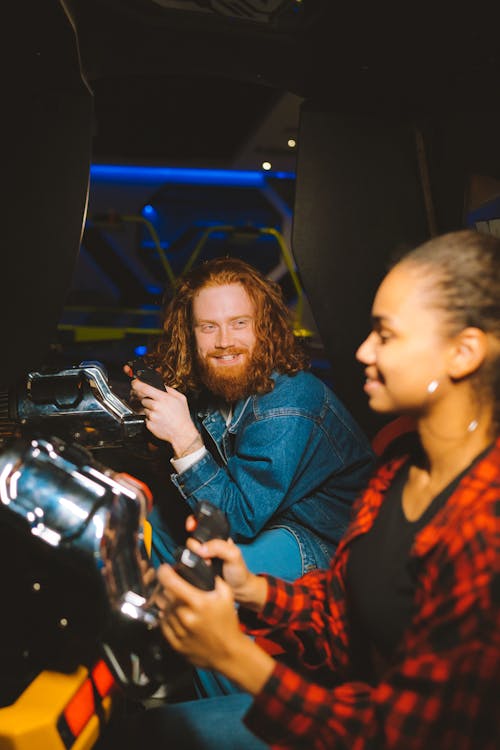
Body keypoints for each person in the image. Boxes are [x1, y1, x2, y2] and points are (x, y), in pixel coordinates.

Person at [126, 229, 500, 749]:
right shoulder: (397, 477)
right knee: (140, 731)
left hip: (369, 732)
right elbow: (345, 618)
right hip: (353, 701)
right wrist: (250, 588)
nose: (364, 350)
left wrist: (234, 656)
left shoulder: (483, 525)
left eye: (386, 335)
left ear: (462, 354)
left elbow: (406, 736)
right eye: (208, 327)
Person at [127, 257, 374, 585]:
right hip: (271, 524)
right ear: (191, 334)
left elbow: (237, 519)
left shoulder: (290, 402)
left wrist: (184, 435)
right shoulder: (216, 385)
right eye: (208, 327)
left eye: (239, 323)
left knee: (212, 574)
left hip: (326, 542)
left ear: (264, 327)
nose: (224, 341)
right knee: (150, 524)